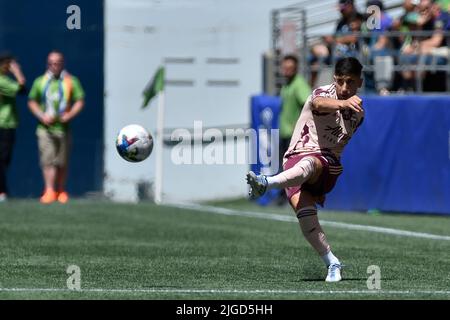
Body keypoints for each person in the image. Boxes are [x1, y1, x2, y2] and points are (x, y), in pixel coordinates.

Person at [246, 57, 365, 282]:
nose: (344, 88)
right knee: (306, 218)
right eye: (340, 81)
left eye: (350, 82)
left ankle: (266, 183)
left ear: (360, 81)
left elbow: (337, 143)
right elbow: (319, 104)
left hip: (327, 164)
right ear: (334, 80)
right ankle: (332, 262)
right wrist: (343, 103)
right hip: (294, 158)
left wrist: (346, 106)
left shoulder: (358, 115)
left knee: (312, 162)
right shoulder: (323, 94)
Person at [28, 51, 85, 204]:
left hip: (63, 128)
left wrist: (70, 115)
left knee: (62, 161)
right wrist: (42, 116)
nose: (55, 65)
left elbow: (80, 100)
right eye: (51, 63)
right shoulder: (40, 81)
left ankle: (61, 190)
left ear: (62, 63)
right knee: (48, 160)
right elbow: (32, 101)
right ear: (47, 64)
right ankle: (49, 190)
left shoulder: (71, 81)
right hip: (45, 128)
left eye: (58, 62)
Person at [277, 55, 311, 205]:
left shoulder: (299, 84)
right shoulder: (287, 85)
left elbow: (309, 104)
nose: (286, 71)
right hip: (285, 133)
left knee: (292, 169)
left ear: (296, 69)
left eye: (289, 68)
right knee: (285, 168)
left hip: (294, 135)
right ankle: (285, 196)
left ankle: (290, 198)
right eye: (284, 68)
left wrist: (299, 126)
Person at [0, 52, 26, 202]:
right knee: (2, 160)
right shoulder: (2, 81)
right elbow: (21, 88)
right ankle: (2, 192)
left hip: (6, 124)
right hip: (4, 124)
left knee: (4, 160)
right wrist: (17, 72)